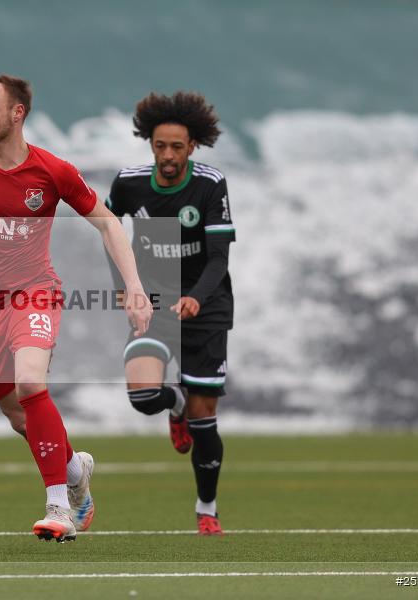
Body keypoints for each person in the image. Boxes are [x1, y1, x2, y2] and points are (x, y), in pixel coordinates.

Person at [0, 74, 152, 542]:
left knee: (30, 382)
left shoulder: (53, 171)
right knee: (17, 413)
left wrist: (134, 285)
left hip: (34, 293)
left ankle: (58, 505)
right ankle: (75, 470)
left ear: (17, 113)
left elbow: (107, 224)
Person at [106, 91, 235, 535]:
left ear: (192, 147)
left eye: (176, 147)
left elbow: (218, 258)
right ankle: (173, 404)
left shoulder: (210, 184)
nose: (167, 155)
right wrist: (125, 287)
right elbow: (110, 231)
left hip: (207, 305)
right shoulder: (129, 183)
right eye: (160, 145)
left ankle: (207, 508)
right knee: (143, 397)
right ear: (151, 144)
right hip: (156, 303)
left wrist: (197, 296)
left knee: (205, 420)